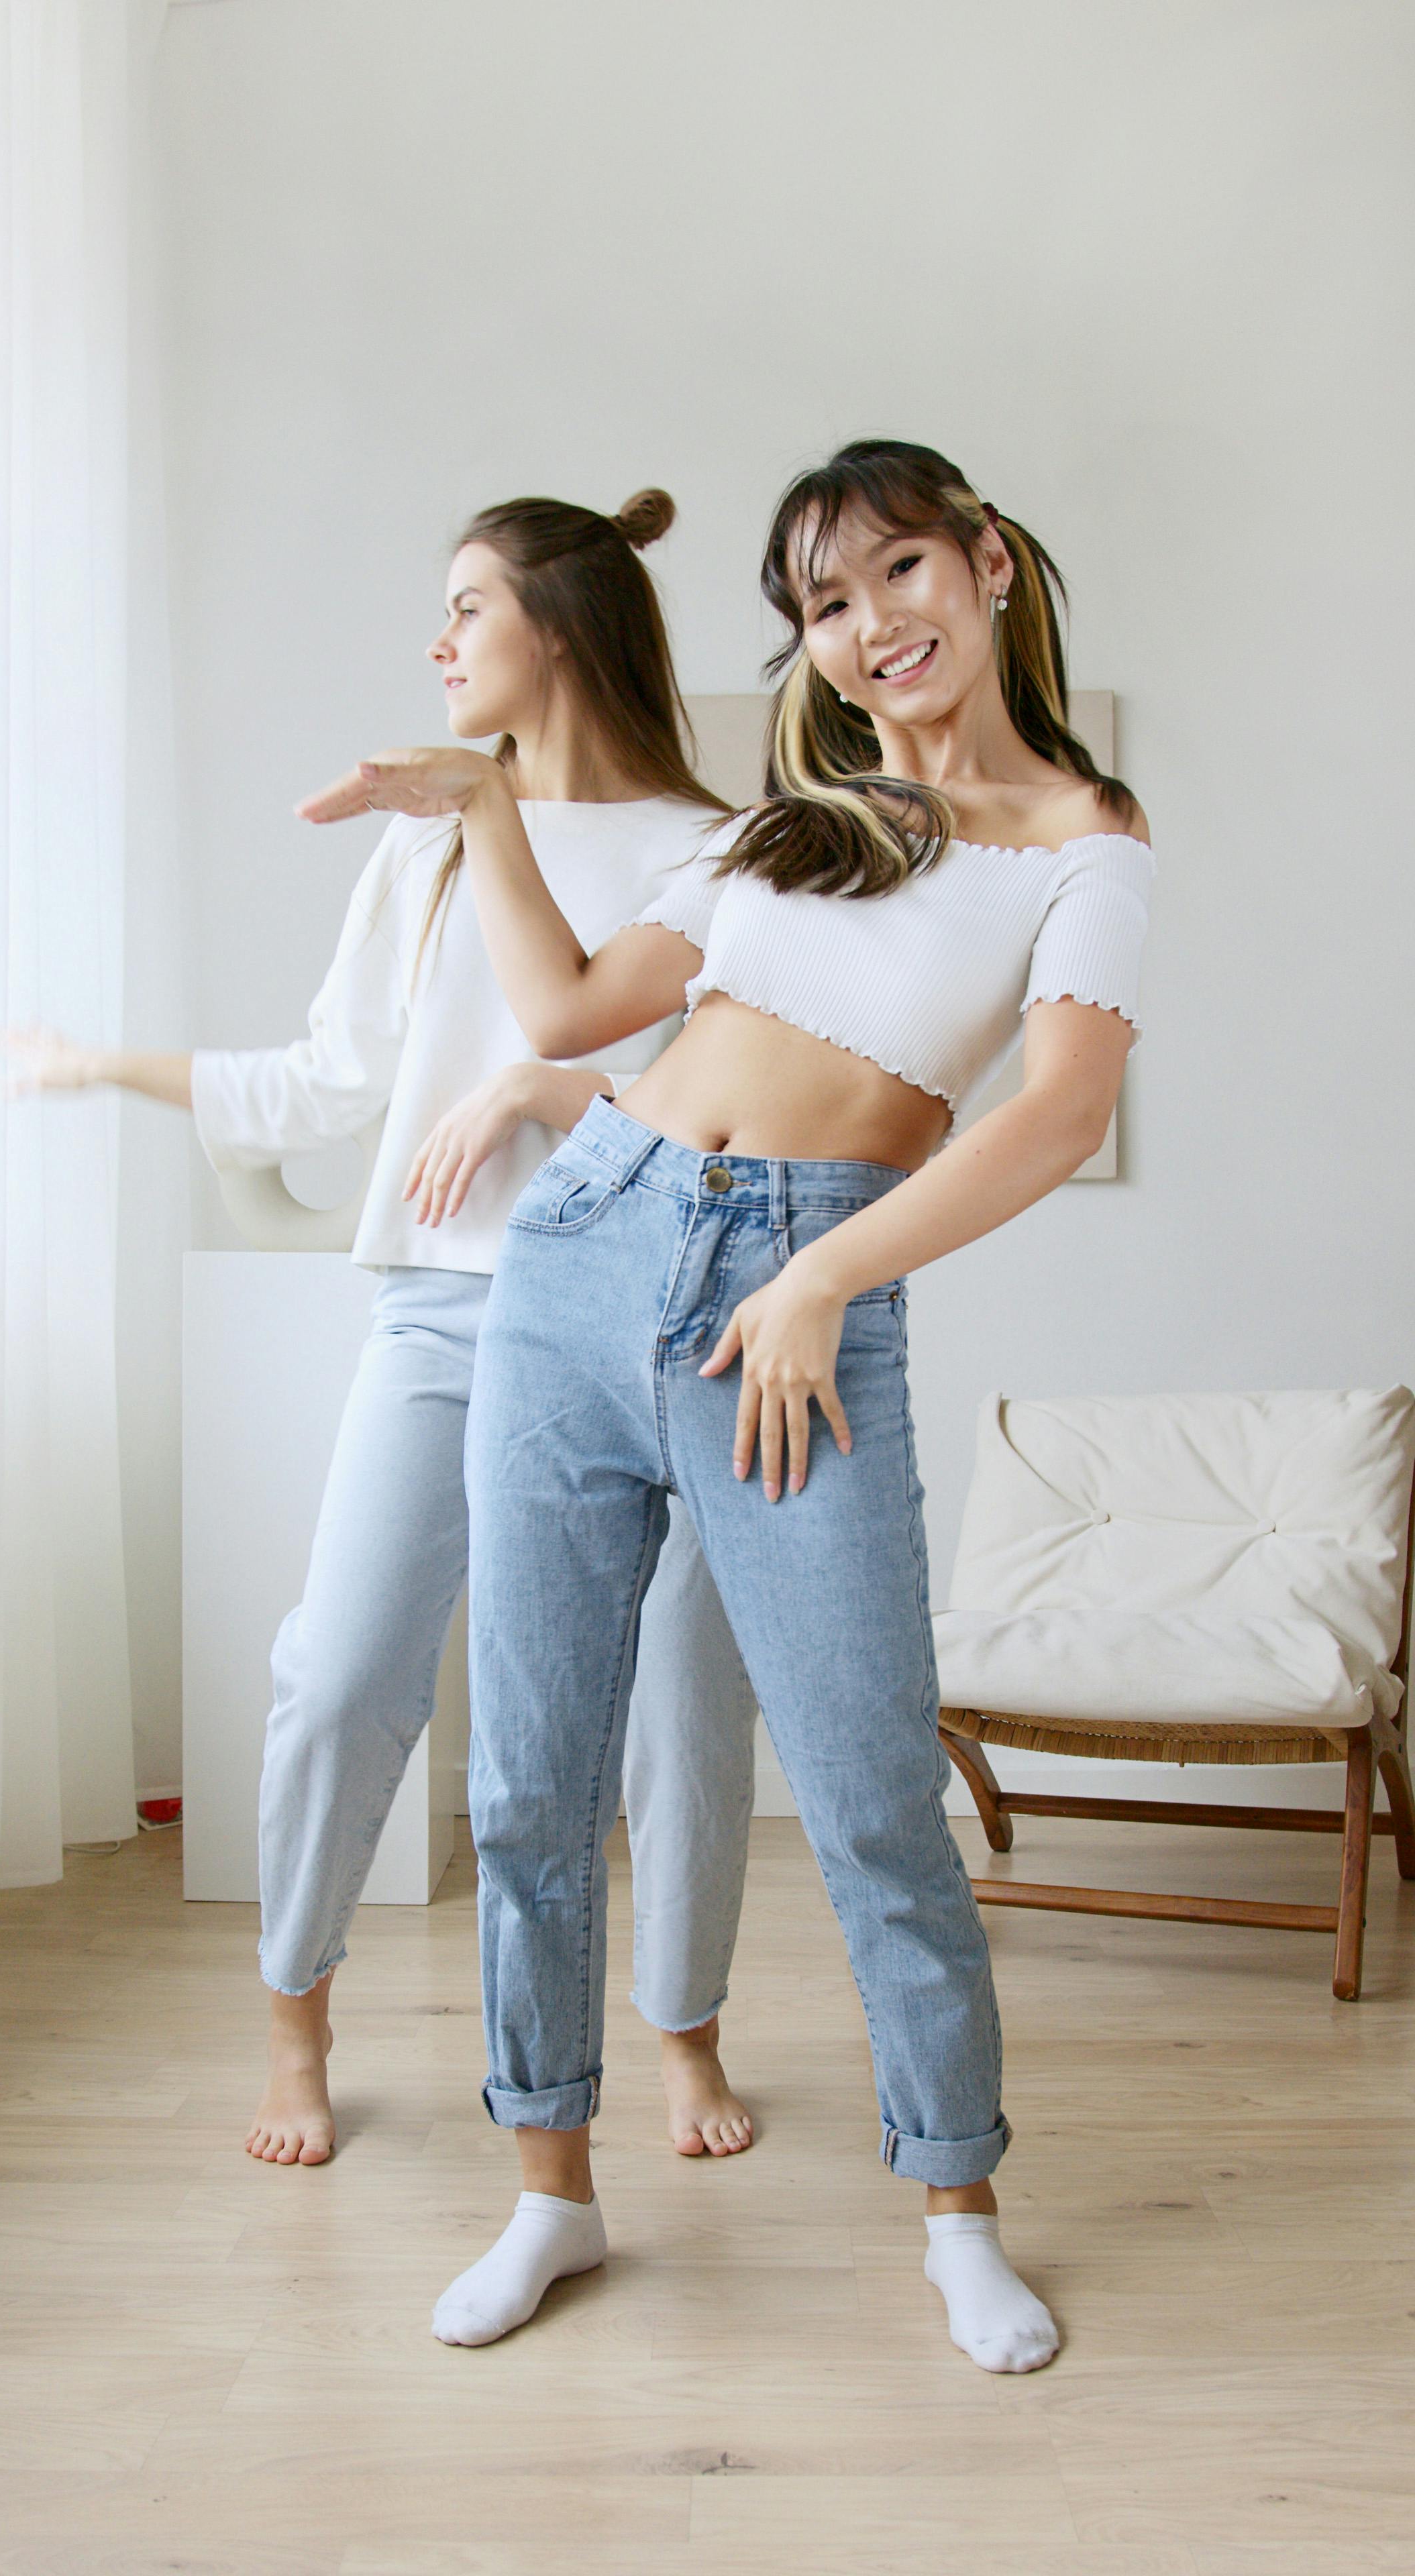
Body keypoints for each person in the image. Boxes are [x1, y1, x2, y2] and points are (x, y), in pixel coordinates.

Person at [305, 438, 1154, 2374]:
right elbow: (575, 1015)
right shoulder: (799, 822)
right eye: (826, 609)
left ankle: (956, 2211)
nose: (868, 633)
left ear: (988, 562)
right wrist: (484, 806)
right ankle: (550, 2201)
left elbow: (1057, 1113)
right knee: (528, 1781)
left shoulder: (1087, 843)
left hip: (803, 1297)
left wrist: (825, 1276)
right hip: (584, 1256)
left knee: (866, 1798)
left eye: (895, 577)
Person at [6, 489, 761, 2168]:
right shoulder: (419, 848)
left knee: (685, 1696)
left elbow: (724, 1106)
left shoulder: (719, 851)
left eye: (465, 609)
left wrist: (548, 1093)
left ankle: (684, 2031)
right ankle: (295, 2015)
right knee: (342, 1672)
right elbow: (329, 1080)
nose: (435, 644)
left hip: (658, 1321)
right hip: (445, 1315)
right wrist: (105, 1068)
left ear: (556, 628)